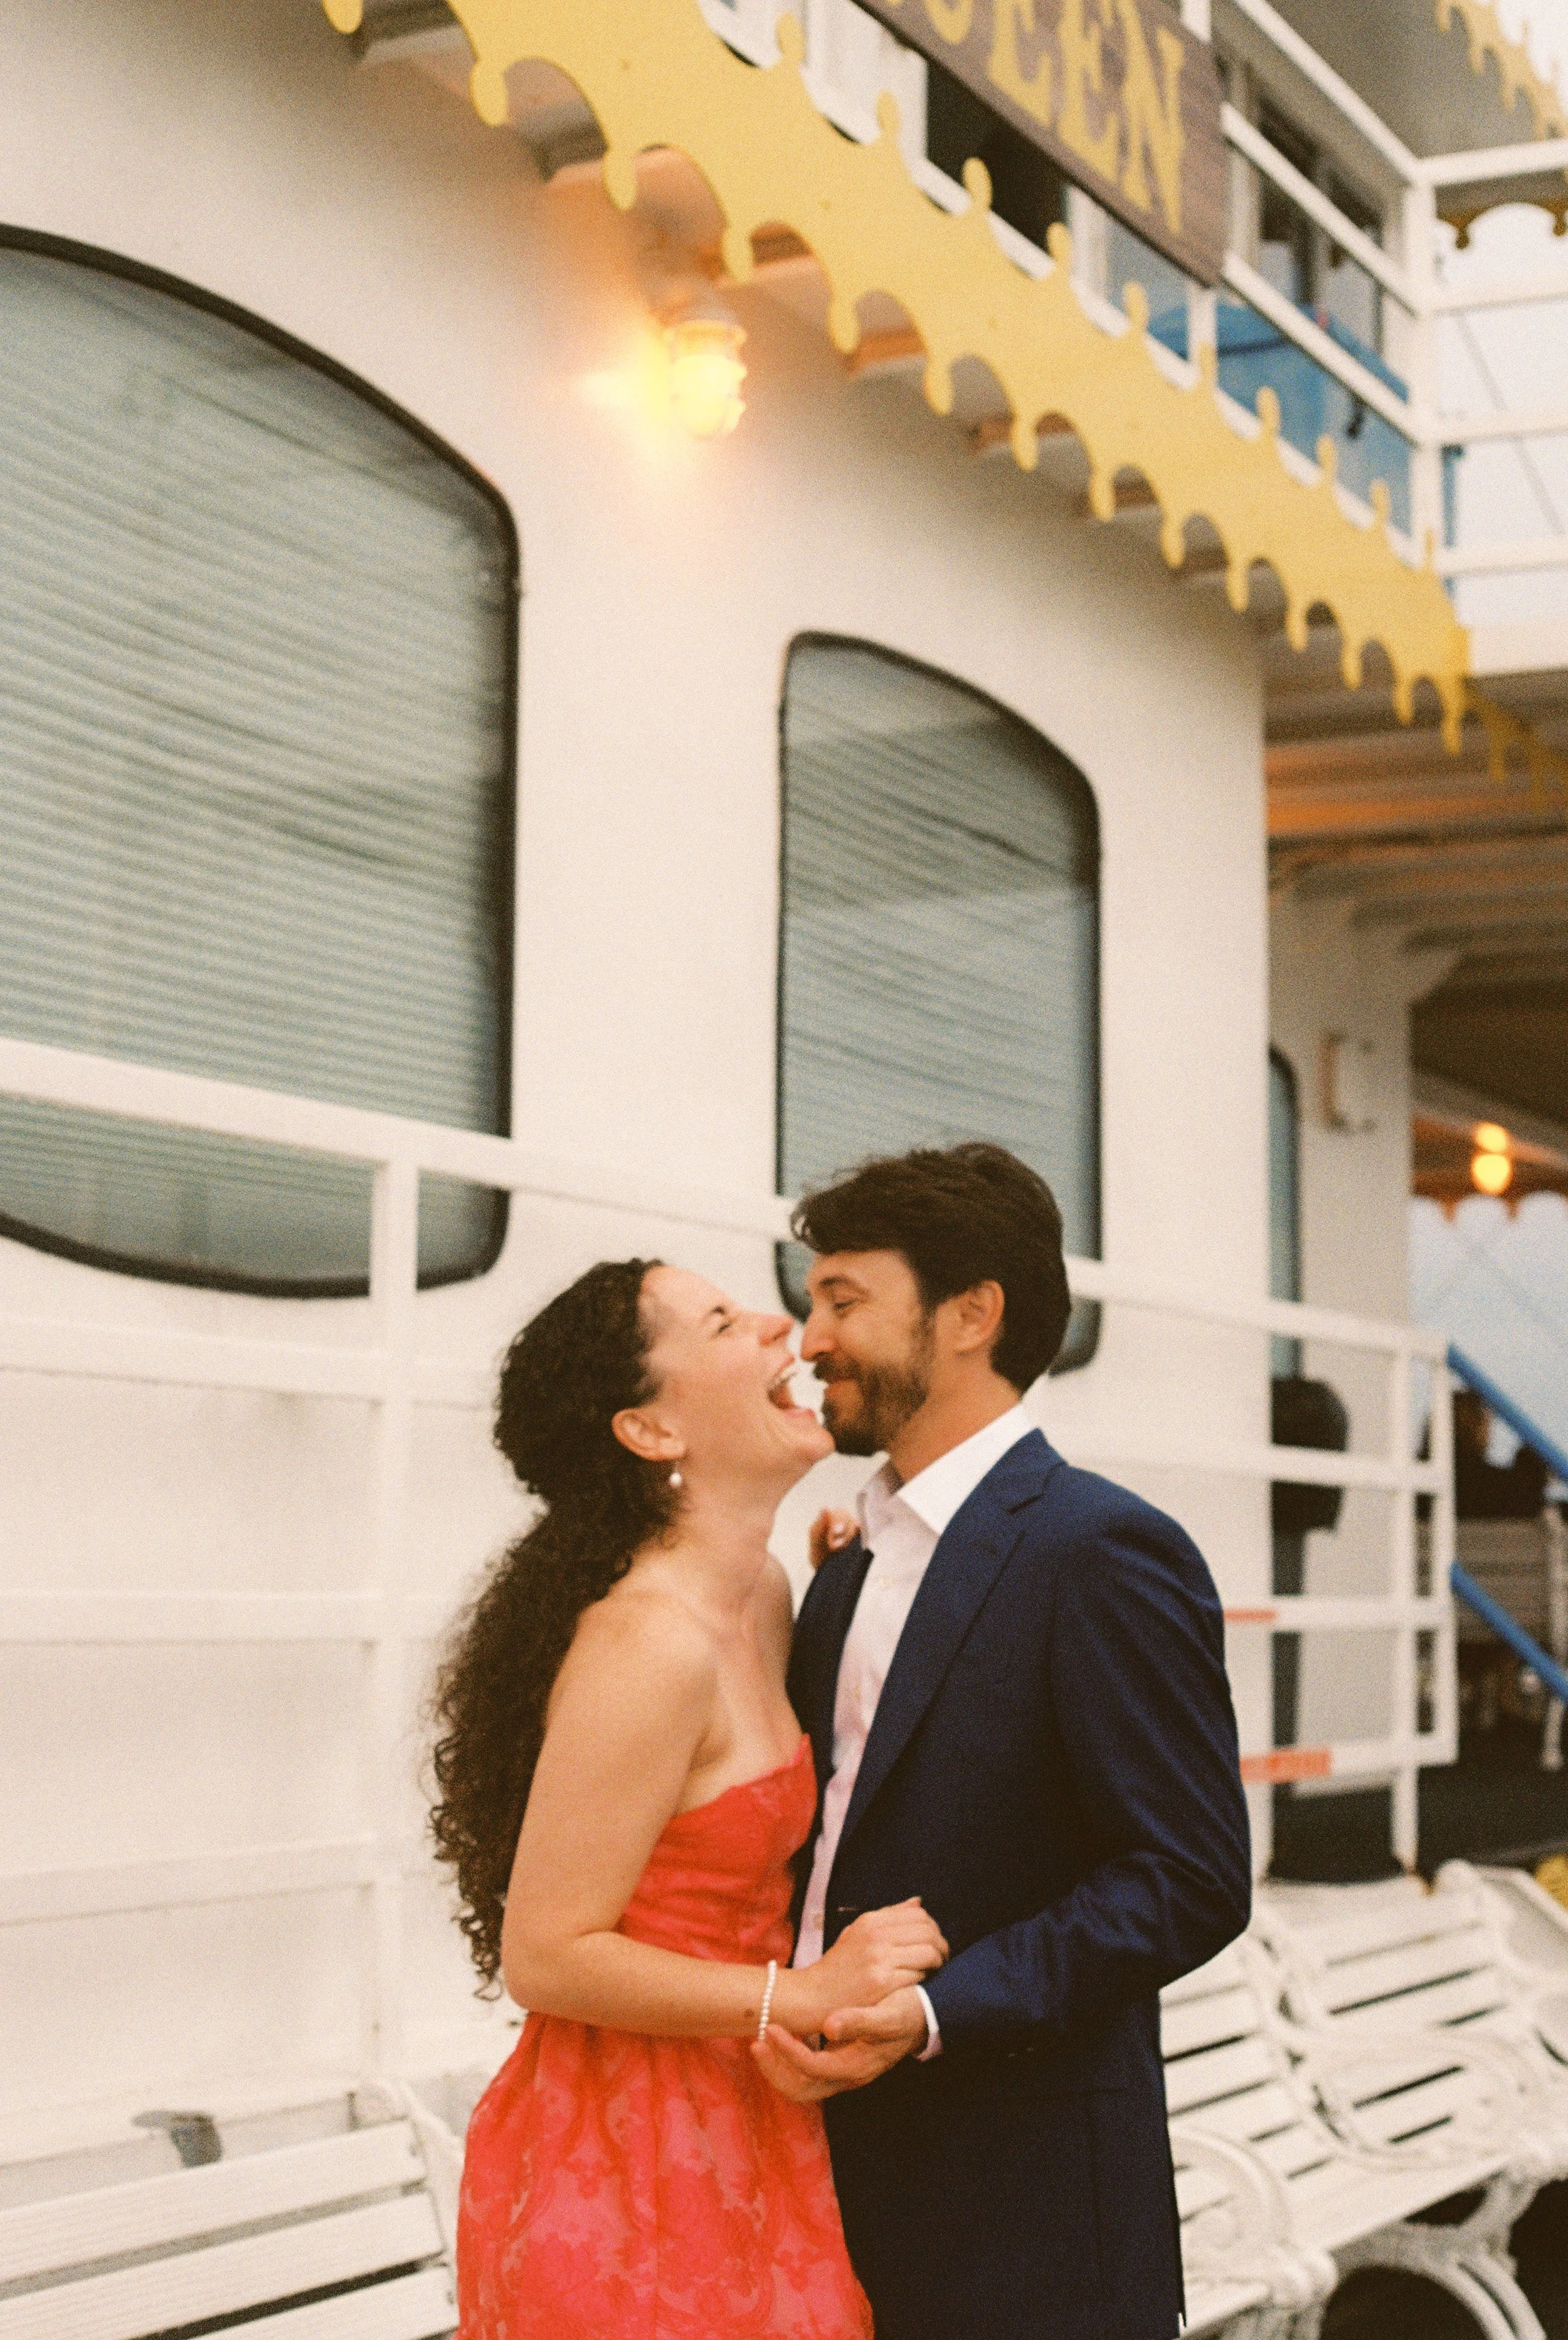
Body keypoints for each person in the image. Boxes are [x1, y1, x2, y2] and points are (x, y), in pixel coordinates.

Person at [757, 1143, 1253, 2340]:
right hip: (812, 2167)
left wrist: (936, 2011)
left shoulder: (1101, 1549)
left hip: (1019, 2201)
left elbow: (1188, 1877)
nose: (808, 1338)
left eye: (842, 1299)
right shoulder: (847, 1560)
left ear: (971, 1313)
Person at [439, 1256, 947, 2340]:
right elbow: (547, 1951)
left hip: (752, 2116)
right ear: (651, 1431)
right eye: (723, 1322)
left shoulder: (763, 1593)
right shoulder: (648, 1644)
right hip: (624, 2160)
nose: (780, 1326)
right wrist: (799, 1996)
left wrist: (855, 1584)